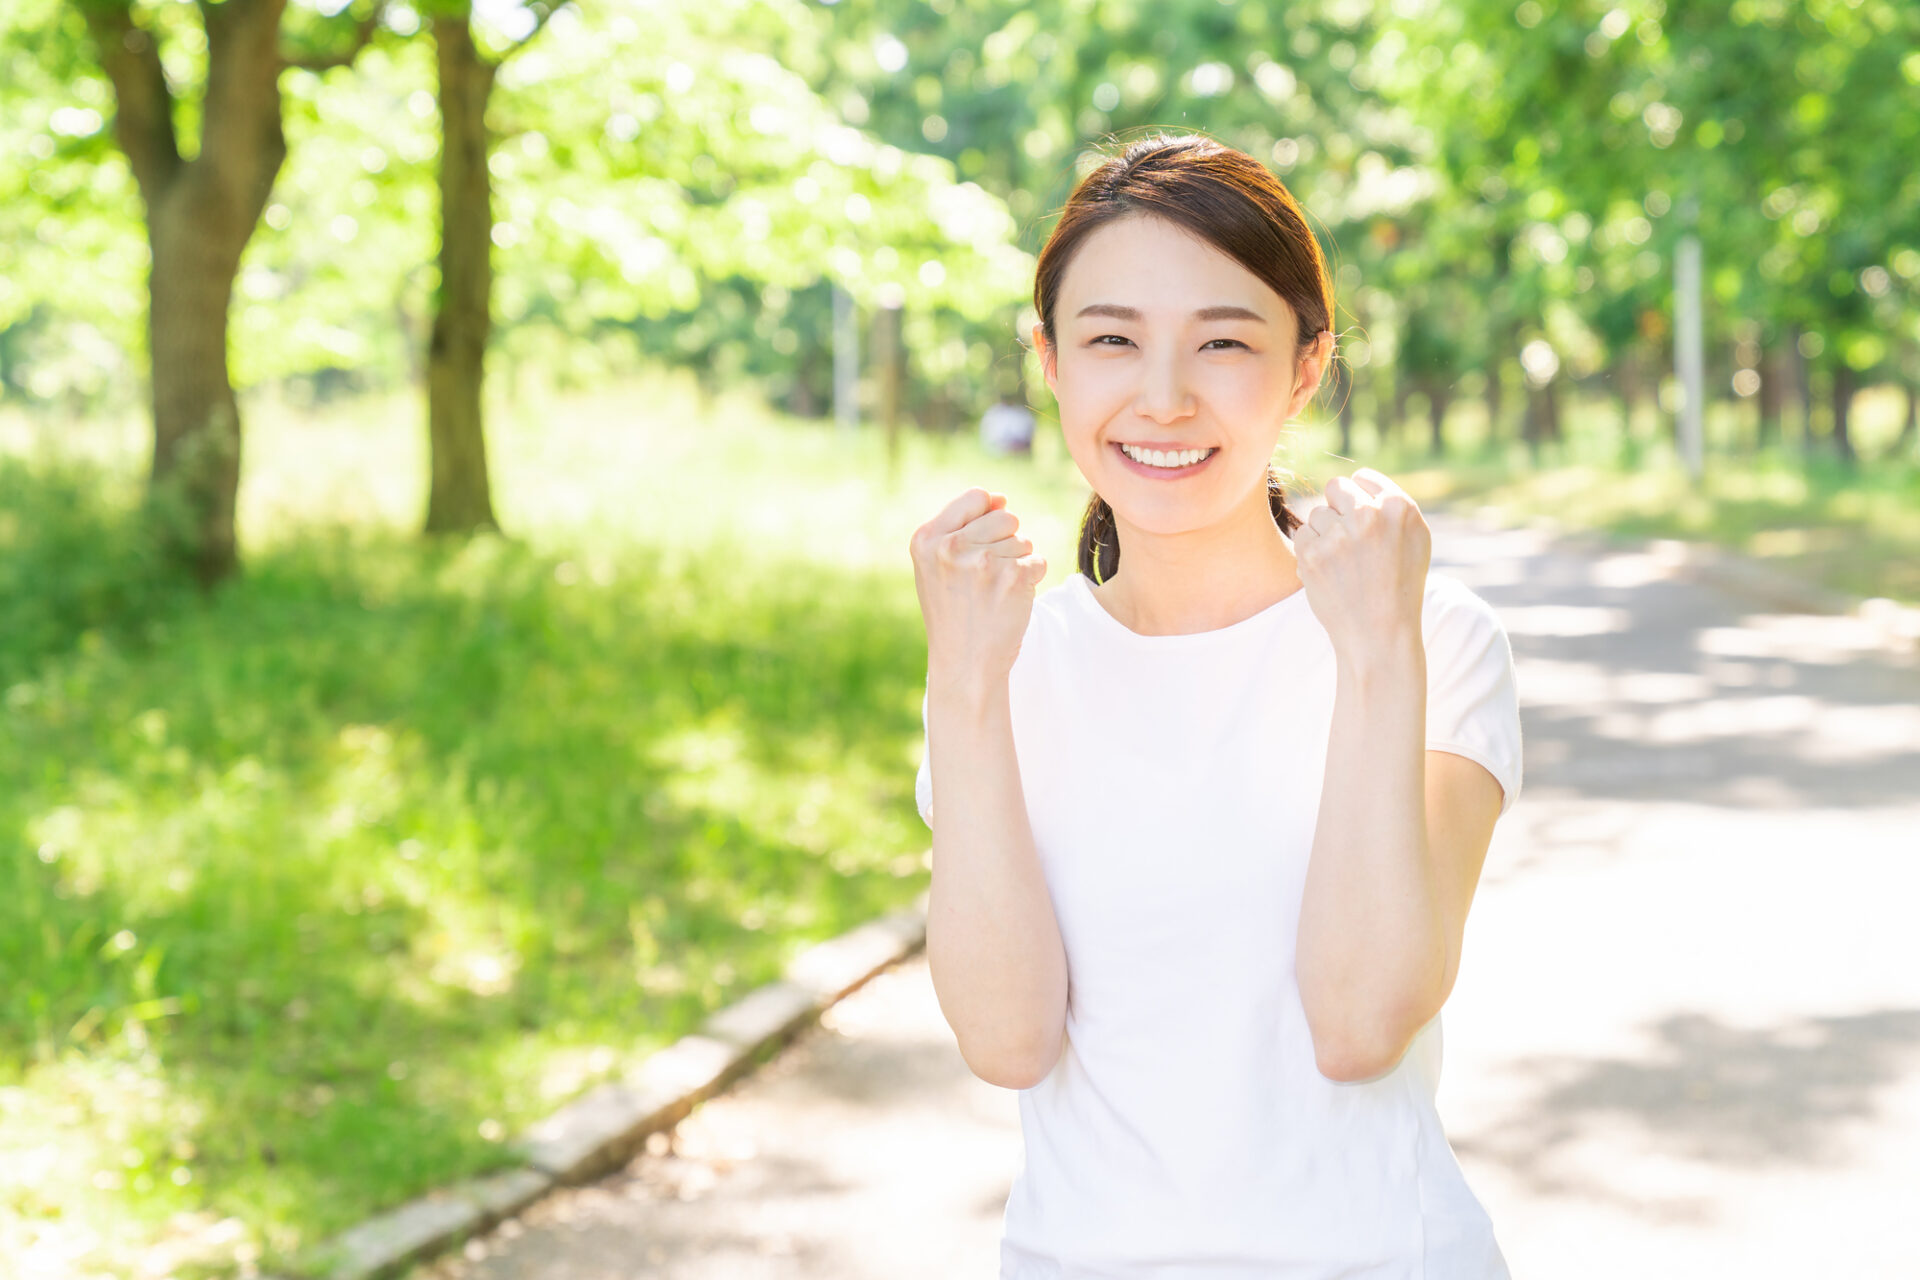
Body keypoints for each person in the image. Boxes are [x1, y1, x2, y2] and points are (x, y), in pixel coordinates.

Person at [906, 133, 1523, 1279]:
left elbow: (1360, 1021)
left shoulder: (1431, 638)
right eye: (1110, 340)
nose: (1163, 397)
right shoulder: (1000, 668)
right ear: (1050, 362)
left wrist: (1374, 651)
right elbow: (1006, 1037)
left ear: (1304, 365)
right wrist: (965, 686)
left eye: (1223, 342)